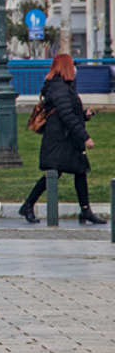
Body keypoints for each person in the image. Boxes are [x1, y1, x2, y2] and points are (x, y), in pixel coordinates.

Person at [20, 54, 106, 225]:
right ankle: (28, 205)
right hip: (60, 139)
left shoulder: (64, 87)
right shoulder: (59, 88)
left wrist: (84, 115)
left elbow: (68, 113)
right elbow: (66, 115)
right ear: (66, 67)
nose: (75, 69)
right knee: (55, 172)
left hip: (65, 137)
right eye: (73, 65)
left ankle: (85, 210)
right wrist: (85, 137)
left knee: (79, 171)